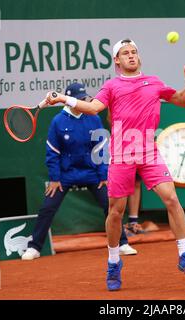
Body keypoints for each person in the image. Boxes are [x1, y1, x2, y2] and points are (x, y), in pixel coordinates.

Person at [45, 38, 185, 291]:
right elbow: (94, 108)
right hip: (121, 154)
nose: (131, 56)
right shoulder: (112, 85)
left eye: (134, 52)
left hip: (148, 151)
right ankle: (113, 261)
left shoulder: (154, 82)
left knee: (171, 198)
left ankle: (184, 255)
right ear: (117, 60)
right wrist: (66, 99)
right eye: (125, 53)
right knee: (115, 211)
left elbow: (182, 101)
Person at [21, 82, 137, 260]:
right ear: (69, 101)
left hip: (91, 172)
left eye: (84, 99)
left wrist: (103, 174)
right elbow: (52, 152)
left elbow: (100, 149)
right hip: (66, 175)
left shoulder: (93, 118)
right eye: (80, 99)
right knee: (47, 207)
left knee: (111, 205)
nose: (84, 101)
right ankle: (35, 247)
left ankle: (121, 243)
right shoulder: (58, 122)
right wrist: (55, 178)